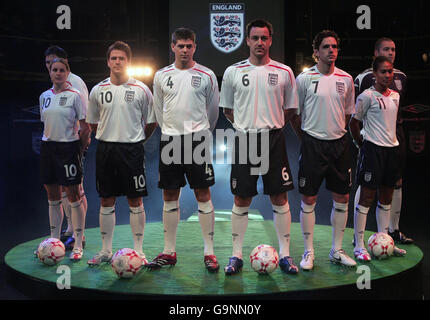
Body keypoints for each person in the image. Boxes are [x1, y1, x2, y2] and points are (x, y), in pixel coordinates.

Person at [220, 19, 299, 275]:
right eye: (255, 38)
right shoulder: (233, 72)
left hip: (273, 139)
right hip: (244, 139)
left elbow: (290, 109)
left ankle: (285, 256)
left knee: (279, 197)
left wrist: (271, 125)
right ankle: (236, 255)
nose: (260, 43)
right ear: (247, 40)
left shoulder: (285, 72)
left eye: (264, 38)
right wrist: (247, 126)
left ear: (271, 40)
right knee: (242, 198)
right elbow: (227, 110)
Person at [147, 28, 220, 272]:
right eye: (181, 45)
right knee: (169, 195)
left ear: (195, 47)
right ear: (173, 47)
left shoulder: (207, 74)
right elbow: (158, 110)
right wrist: (170, 130)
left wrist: (201, 133)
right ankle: (169, 252)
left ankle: (209, 253)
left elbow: (213, 112)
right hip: (170, 141)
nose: (185, 50)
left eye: (189, 45)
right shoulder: (161, 76)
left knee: (203, 194)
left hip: (197, 140)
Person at [86, 41, 157, 265]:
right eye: (114, 58)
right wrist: (109, 136)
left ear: (128, 62)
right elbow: (93, 123)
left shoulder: (141, 90)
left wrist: (135, 140)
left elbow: (152, 122)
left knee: (135, 201)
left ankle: (138, 252)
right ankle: (106, 251)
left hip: (132, 150)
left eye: (122, 58)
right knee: (107, 200)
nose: (117, 62)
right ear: (108, 62)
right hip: (106, 150)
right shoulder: (98, 90)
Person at [292, 30, 356, 270]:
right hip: (312, 145)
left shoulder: (346, 79)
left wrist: (336, 132)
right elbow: (294, 115)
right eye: (326, 47)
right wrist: (307, 138)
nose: (331, 50)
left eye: (335, 47)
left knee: (343, 197)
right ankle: (308, 252)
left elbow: (348, 113)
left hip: (339, 145)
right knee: (309, 198)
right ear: (316, 51)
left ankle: (336, 250)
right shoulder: (304, 79)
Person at [353, 38, 413, 245]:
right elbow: (354, 121)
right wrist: (363, 143)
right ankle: (358, 241)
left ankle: (388, 237)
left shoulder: (398, 89)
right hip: (372, 147)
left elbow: (393, 116)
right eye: (386, 49)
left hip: (393, 146)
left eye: (393, 50)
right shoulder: (365, 88)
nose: (388, 75)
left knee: (390, 191)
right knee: (366, 193)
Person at [39, 58, 90, 261]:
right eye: (54, 70)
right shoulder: (44, 96)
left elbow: (85, 126)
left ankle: (78, 244)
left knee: (73, 195)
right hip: (48, 147)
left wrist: (79, 148)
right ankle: (53, 242)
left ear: (67, 73)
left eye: (62, 70)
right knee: (53, 196)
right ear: (50, 73)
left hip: (68, 148)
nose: (58, 73)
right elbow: (45, 122)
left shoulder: (75, 96)